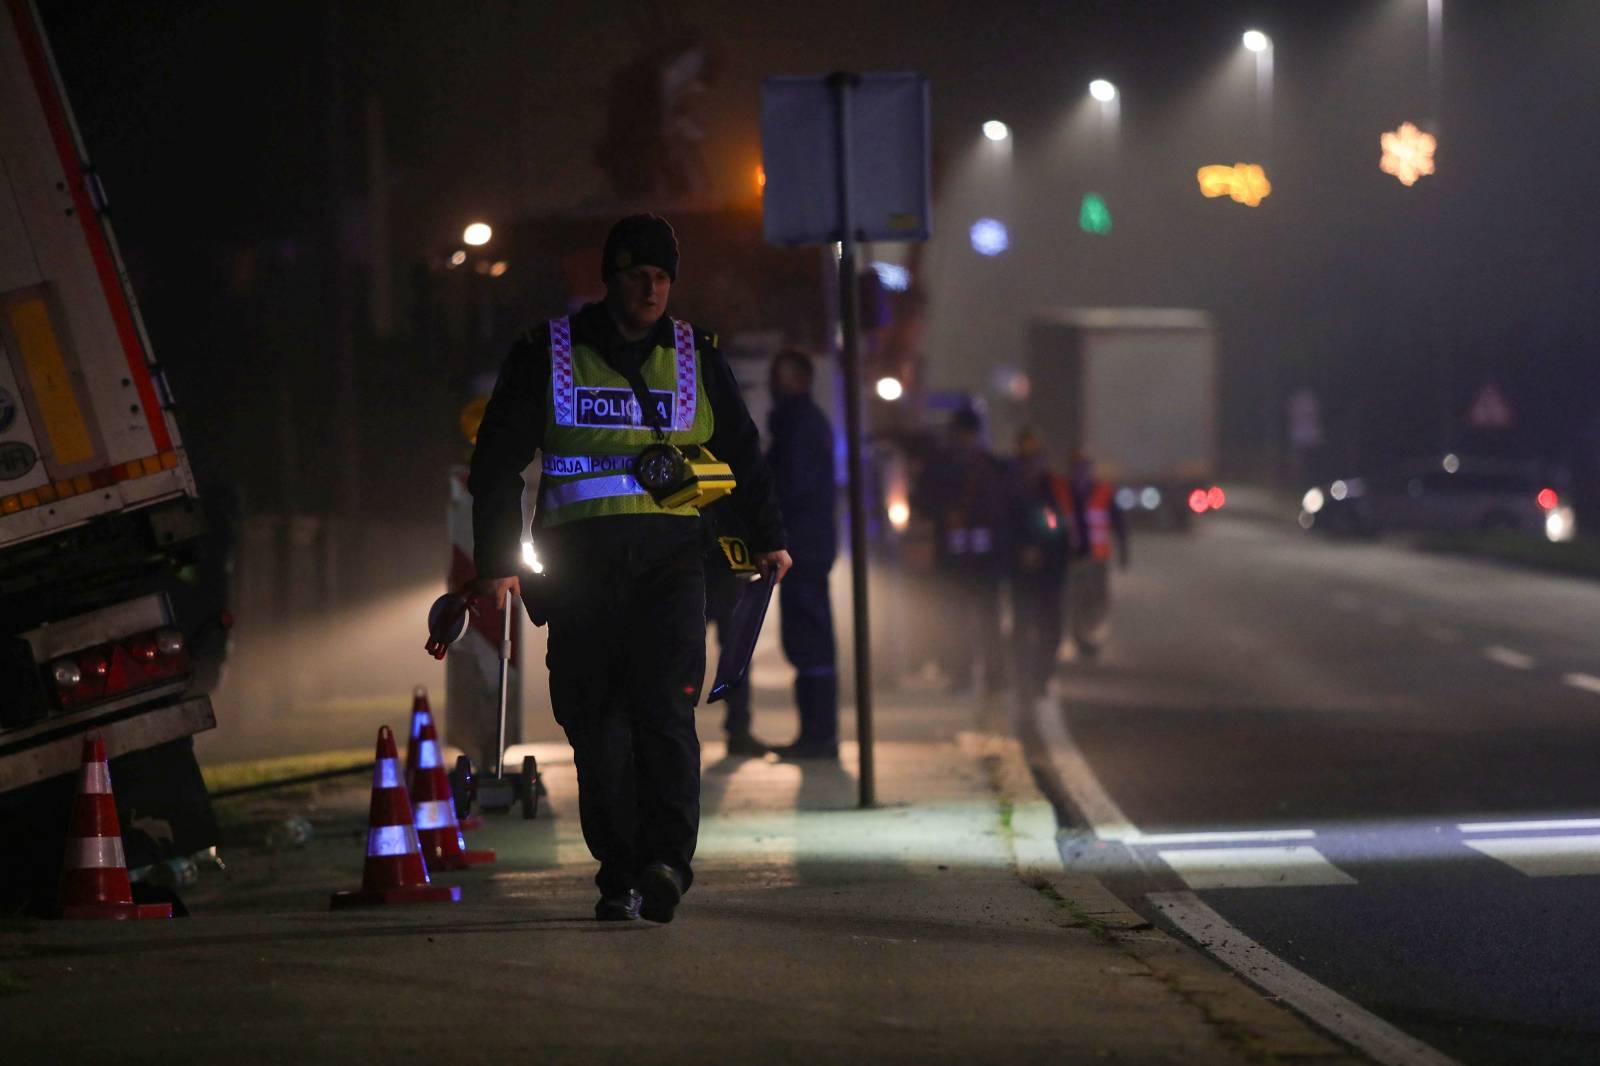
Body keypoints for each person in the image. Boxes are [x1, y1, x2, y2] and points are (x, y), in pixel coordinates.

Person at [467, 214, 790, 924]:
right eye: (640, 275)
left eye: (664, 277)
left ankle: (668, 862)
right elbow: (496, 462)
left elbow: (741, 446)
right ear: (609, 278)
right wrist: (494, 559)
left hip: (670, 565)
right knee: (596, 724)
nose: (653, 289)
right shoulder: (547, 353)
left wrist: (768, 536)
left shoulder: (695, 353)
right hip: (578, 569)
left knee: (665, 712)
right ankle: (617, 869)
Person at [764, 349, 839, 761]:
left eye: (781, 378)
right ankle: (815, 734)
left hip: (803, 548)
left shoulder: (800, 426)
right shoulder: (805, 424)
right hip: (809, 545)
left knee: (809, 641)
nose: (775, 386)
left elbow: (792, 486)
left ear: (799, 381)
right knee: (808, 640)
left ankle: (818, 736)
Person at [912, 407, 1008, 695]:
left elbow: (1002, 508)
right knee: (958, 620)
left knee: (983, 620)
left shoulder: (987, 466)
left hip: (979, 559)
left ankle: (991, 677)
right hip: (958, 559)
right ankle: (968, 675)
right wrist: (945, 514)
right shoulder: (950, 465)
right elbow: (920, 501)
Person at [1006, 429, 1071, 697]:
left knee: (1050, 629)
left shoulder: (1053, 489)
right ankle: (1023, 679)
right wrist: (1019, 551)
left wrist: (1045, 549)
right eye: (1026, 459)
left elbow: (1059, 527)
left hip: (1050, 571)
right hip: (1020, 573)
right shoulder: (1009, 489)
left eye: (1035, 459)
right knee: (1022, 628)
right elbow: (1003, 527)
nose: (1030, 465)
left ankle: (1042, 677)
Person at [1055, 450, 1128, 660]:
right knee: (1074, 600)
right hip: (1070, 558)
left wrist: (1123, 551)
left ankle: (1090, 637)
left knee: (1095, 601)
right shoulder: (1062, 492)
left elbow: (1119, 524)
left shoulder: (1104, 492)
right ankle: (1080, 638)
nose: (1079, 473)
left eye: (1083, 468)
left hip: (1097, 559)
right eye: (1076, 468)